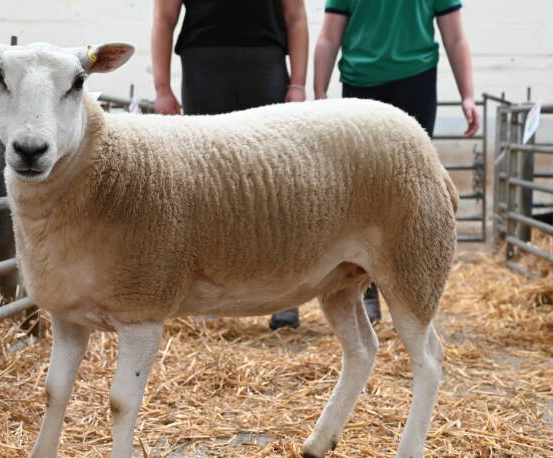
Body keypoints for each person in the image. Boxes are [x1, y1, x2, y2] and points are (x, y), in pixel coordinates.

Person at [313, 0, 479, 322]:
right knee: (363, 196)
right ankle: (366, 290)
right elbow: (329, 35)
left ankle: (413, 292)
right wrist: (319, 88)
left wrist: (467, 94)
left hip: (414, 80)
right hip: (360, 81)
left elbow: (455, 36)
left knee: (413, 196)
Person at [152, 0, 309, 330]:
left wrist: (297, 83)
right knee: (206, 189)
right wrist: (162, 88)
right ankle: (206, 298)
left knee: (276, 187)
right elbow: (165, 19)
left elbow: (295, 17)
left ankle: (286, 299)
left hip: (266, 63)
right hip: (203, 67)